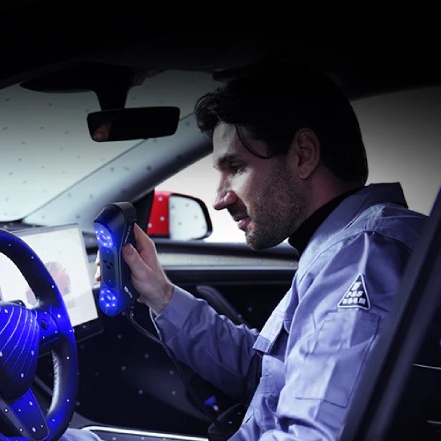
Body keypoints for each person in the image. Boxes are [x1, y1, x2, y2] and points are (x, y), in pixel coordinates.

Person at [65, 62, 428, 441]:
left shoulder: (363, 259)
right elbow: (266, 373)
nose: (219, 199)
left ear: (303, 155)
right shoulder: (342, 251)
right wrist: (161, 294)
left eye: (235, 167)